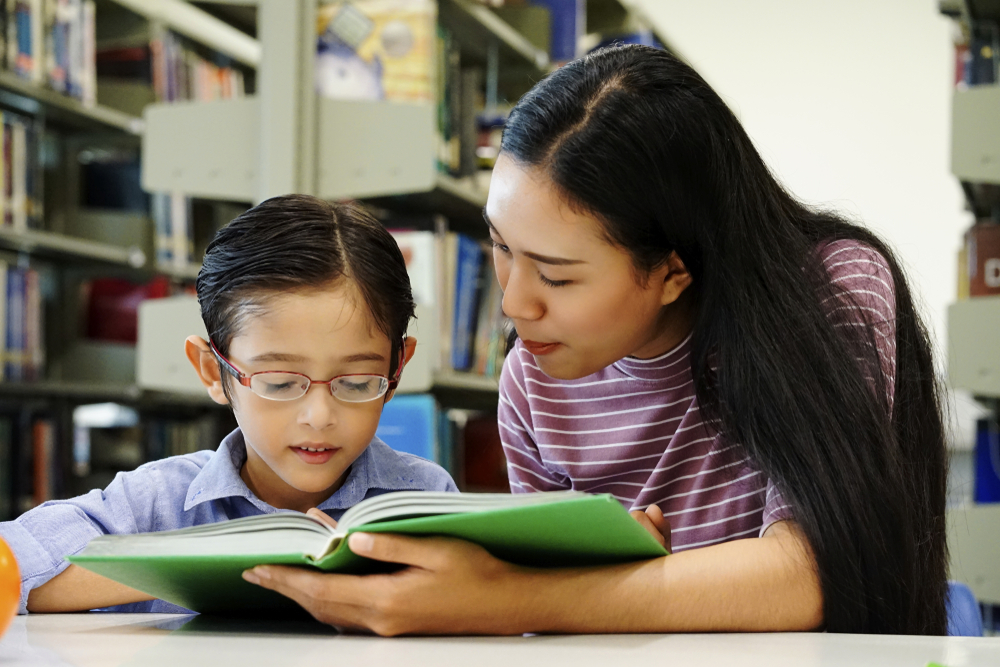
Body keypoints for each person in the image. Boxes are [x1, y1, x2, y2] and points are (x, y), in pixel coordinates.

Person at [243, 45, 947, 636]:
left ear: (673, 270)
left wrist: (501, 596)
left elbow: (809, 575)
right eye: (500, 247)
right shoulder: (534, 380)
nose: (515, 305)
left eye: (556, 274)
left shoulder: (832, 287)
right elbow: (561, 617)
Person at [0, 195, 456, 614]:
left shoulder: (424, 499)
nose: (319, 416)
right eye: (279, 383)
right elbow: (11, 564)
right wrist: (212, 562)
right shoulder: (156, 503)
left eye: (357, 383)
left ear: (398, 367)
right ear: (211, 372)